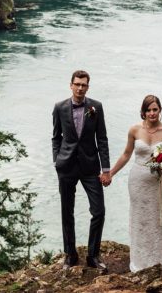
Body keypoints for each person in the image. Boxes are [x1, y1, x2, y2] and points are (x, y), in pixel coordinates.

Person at [105, 94, 162, 272]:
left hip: (160, 183)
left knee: (159, 218)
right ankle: (140, 261)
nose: (152, 113)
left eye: (155, 109)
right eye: (148, 110)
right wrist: (110, 173)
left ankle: (161, 259)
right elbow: (126, 154)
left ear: (160, 110)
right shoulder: (134, 130)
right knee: (141, 218)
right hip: (137, 182)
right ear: (143, 112)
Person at [51, 69, 111, 271]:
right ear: (71, 85)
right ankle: (71, 255)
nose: (80, 88)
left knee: (99, 211)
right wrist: (57, 161)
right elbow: (56, 137)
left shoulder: (96, 107)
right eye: (77, 84)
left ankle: (93, 255)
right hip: (66, 166)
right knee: (66, 212)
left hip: (90, 167)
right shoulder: (59, 107)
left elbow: (102, 139)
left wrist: (106, 169)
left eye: (83, 85)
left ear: (88, 87)